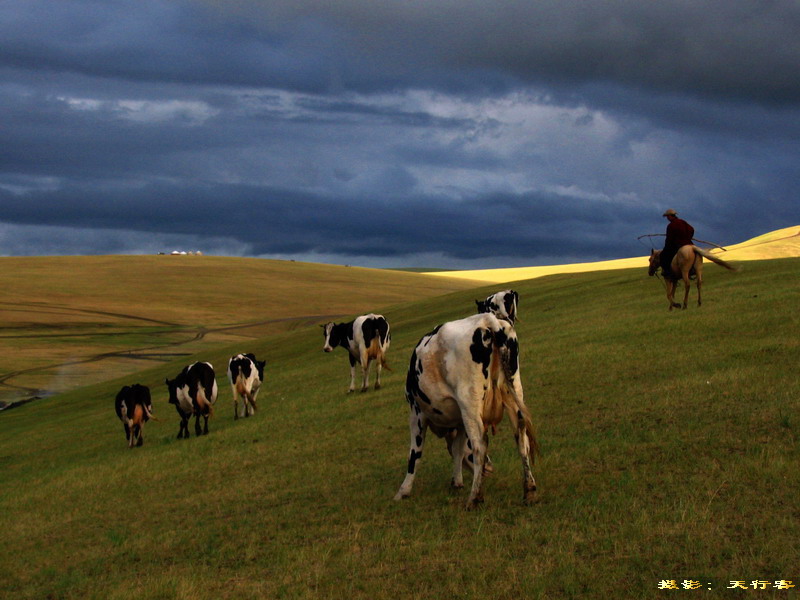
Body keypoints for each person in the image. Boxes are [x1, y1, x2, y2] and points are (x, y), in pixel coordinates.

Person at [660, 208, 694, 277]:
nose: (667, 218)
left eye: (667, 216)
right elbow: (692, 229)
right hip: (689, 243)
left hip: (677, 246)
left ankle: (668, 272)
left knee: (663, 256)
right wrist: (688, 238)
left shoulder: (670, 226)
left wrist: (666, 247)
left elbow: (669, 239)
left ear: (670, 216)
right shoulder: (682, 221)